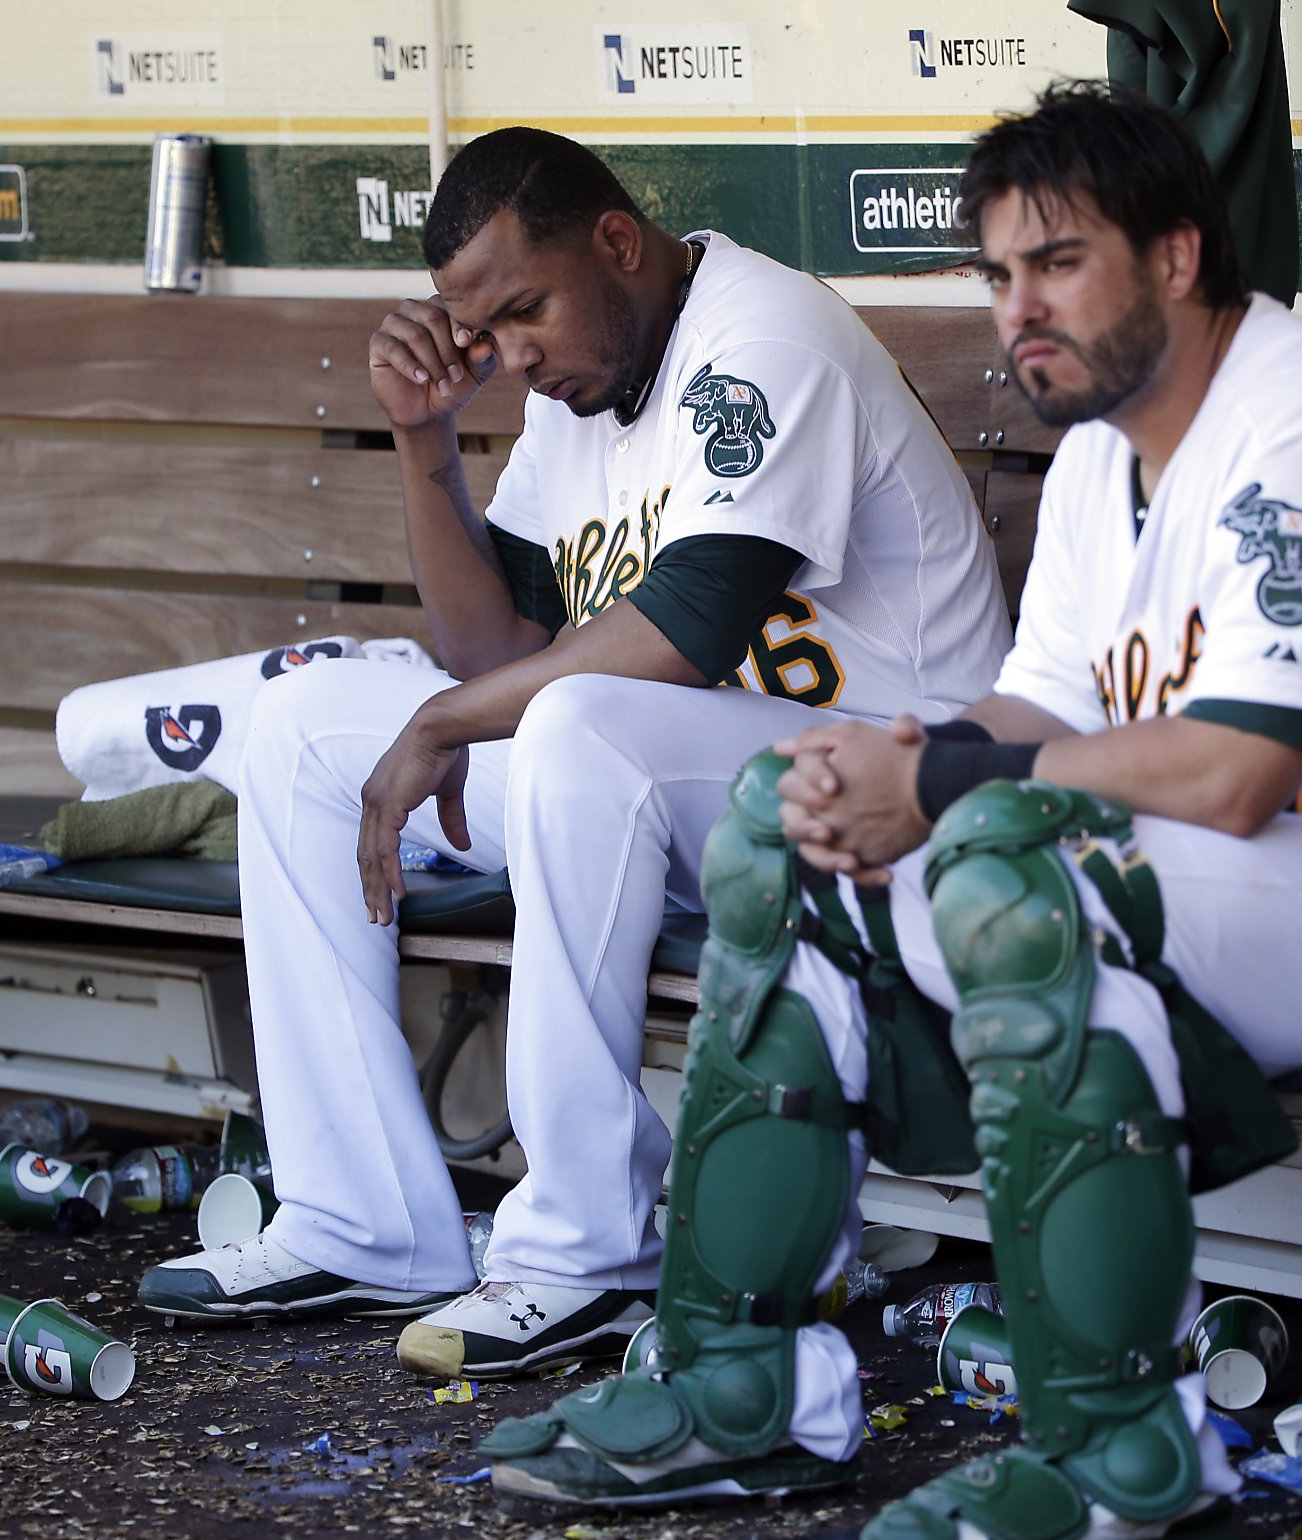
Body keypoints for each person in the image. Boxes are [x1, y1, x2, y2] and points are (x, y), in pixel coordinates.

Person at [470, 84, 1302, 1540]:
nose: (1022, 308)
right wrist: (882, 768)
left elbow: (1242, 774)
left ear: (1180, 258)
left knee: (1027, 887)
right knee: (781, 833)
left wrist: (943, 791)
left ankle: (1123, 1456)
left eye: (1060, 264)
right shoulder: (1100, 451)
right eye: (1000, 274)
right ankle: (741, 1379)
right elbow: (1037, 715)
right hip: (1290, 874)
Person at [136, 128, 1012, 1387]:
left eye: (527, 308)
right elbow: (489, 638)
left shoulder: (758, 337)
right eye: (485, 327)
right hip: (677, 788)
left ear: (616, 241)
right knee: (306, 729)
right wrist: (426, 445)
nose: (515, 353)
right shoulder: (579, 383)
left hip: (881, 799)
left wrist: (440, 721)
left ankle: (588, 1247)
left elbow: (681, 633)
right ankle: (358, 1218)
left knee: (573, 718)